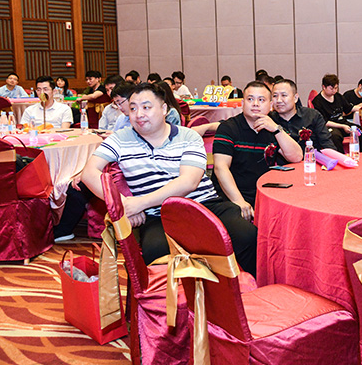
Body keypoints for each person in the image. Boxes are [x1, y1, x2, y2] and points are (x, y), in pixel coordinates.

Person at [81, 82, 257, 276]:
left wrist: (139, 203)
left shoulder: (188, 136)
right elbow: (88, 173)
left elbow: (188, 182)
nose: (139, 114)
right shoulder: (120, 139)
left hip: (204, 205)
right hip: (158, 215)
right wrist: (124, 204)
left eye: (146, 107)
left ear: (164, 109)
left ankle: (250, 288)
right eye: (133, 108)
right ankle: (169, 296)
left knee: (247, 236)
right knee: (156, 251)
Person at [212, 81, 303, 220]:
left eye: (261, 100)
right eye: (250, 99)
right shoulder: (228, 128)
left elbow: (296, 157)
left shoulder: (272, 127)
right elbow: (220, 167)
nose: (255, 104)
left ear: (270, 105)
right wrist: (239, 201)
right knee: (248, 231)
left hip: (263, 194)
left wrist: (277, 130)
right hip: (230, 196)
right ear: (242, 103)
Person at [269, 79, 336, 151]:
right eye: (275, 96)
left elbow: (328, 145)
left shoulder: (312, 116)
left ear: (295, 98)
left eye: (284, 95)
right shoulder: (269, 120)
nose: (278, 100)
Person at [311, 74, 360, 150]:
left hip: (342, 122)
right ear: (324, 87)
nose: (334, 91)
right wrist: (342, 126)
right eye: (331, 88)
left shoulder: (338, 96)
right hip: (330, 126)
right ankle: (340, 156)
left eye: (336, 88)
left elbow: (349, 108)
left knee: (359, 130)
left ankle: (361, 153)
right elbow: (324, 122)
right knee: (335, 136)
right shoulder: (317, 101)